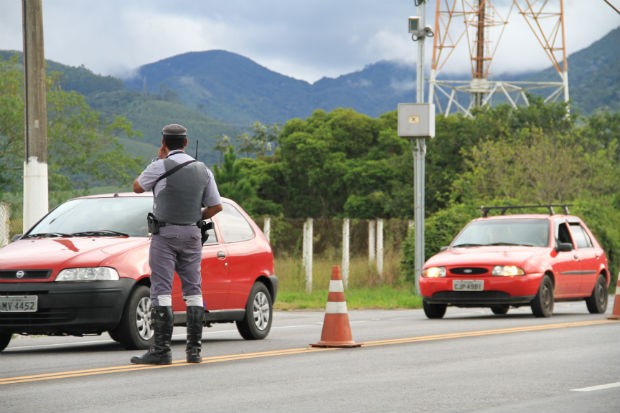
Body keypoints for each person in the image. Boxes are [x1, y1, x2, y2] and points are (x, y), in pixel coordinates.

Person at [130, 123, 222, 365]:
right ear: (186, 143)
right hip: (192, 235)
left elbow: (137, 187)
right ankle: (194, 351)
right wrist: (194, 217)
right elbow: (216, 206)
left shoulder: (159, 166)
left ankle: (161, 350)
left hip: (165, 234)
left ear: (163, 143)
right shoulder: (204, 170)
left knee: (161, 289)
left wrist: (156, 160)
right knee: (193, 290)